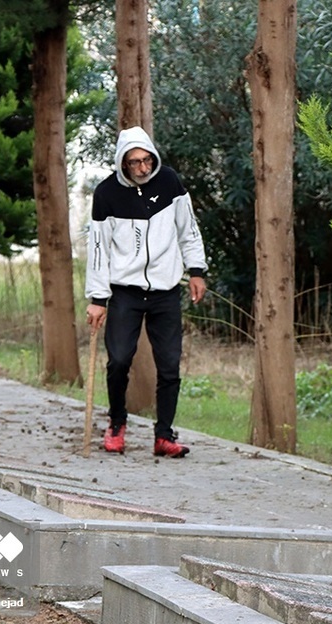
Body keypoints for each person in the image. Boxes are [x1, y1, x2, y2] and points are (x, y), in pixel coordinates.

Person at [85, 126, 208, 458]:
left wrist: (196, 270)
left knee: (169, 365)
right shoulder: (106, 194)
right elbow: (98, 250)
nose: (142, 168)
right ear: (122, 163)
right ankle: (117, 423)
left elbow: (189, 228)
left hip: (165, 291)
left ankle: (164, 435)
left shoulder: (169, 181)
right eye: (134, 162)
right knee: (118, 361)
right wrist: (98, 298)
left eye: (147, 160)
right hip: (124, 292)